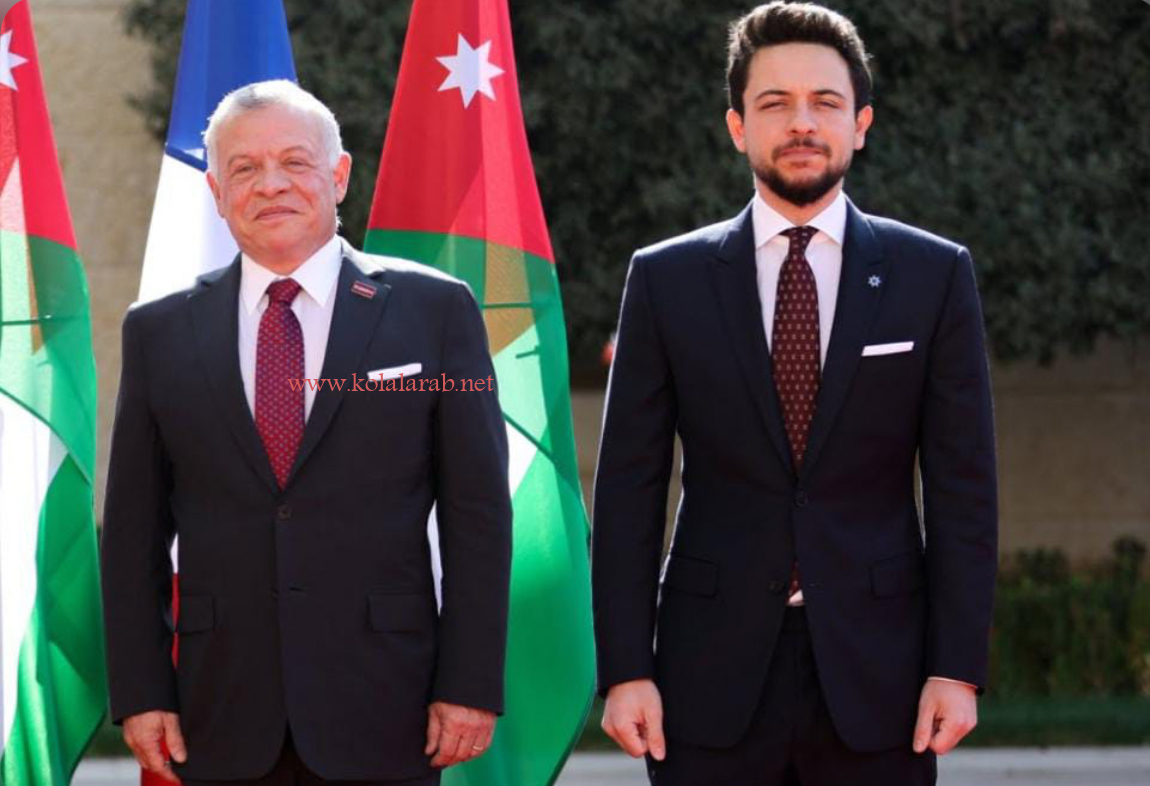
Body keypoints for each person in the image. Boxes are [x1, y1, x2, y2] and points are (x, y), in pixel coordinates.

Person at [591, 3, 998, 784]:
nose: (802, 123)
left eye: (825, 103)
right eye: (775, 103)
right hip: (705, 674)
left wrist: (957, 667)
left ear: (861, 124)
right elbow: (628, 489)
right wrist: (625, 668)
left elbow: (964, 487)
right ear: (737, 126)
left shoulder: (934, 275)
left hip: (882, 673)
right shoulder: (665, 279)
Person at [101, 80, 512, 786]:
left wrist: (470, 682)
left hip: (388, 703)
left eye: (295, 161)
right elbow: (134, 531)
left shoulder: (434, 311)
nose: (271, 185)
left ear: (339, 175)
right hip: (218, 710)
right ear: (217, 190)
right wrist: (141, 692)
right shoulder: (158, 331)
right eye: (245, 168)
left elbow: (478, 514)